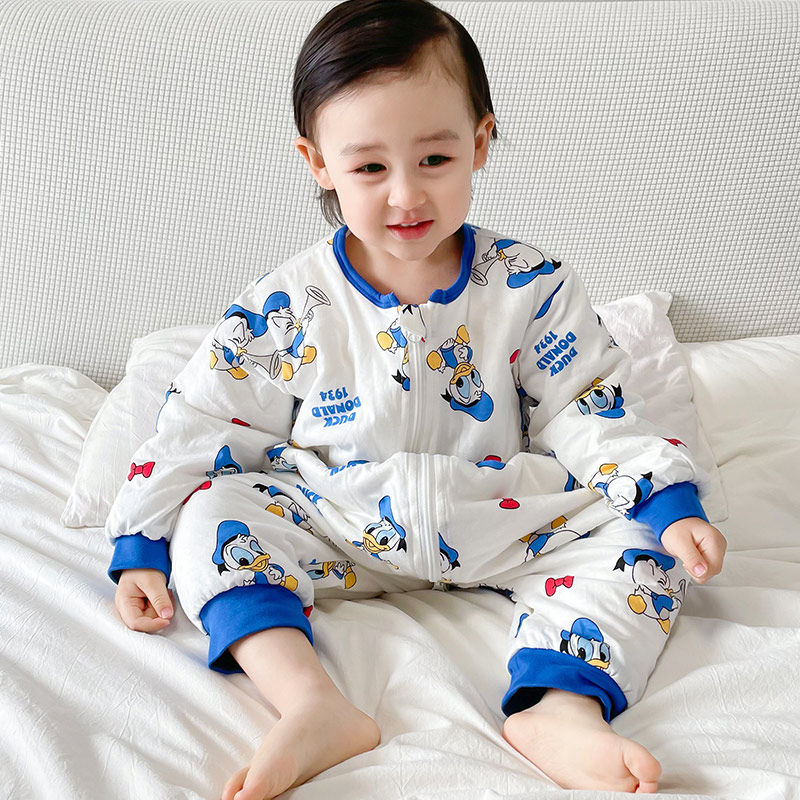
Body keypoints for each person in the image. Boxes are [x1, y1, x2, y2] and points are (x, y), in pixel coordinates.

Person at [106, 1, 727, 797]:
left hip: (498, 516)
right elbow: (205, 418)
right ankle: (310, 703)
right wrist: (140, 540)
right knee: (211, 516)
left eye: (434, 159)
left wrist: (666, 498)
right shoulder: (290, 305)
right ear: (317, 163)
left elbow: (586, 404)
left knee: (645, 540)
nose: (406, 195)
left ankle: (561, 708)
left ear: (479, 143)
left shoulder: (531, 287)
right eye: (370, 168)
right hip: (342, 521)